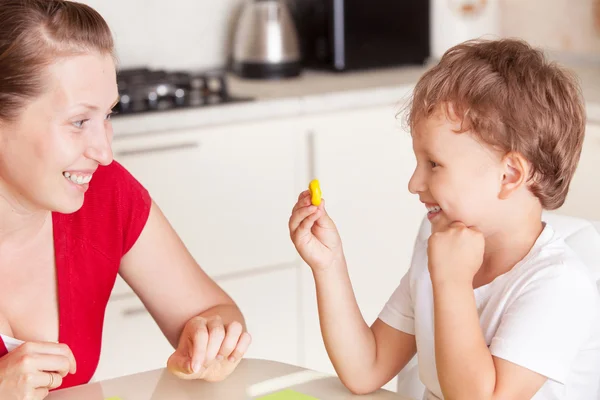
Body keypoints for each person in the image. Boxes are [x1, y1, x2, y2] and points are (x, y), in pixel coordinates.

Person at [289, 38, 600, 399]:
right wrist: (329, 265)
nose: (413, 183)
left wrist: (452, 282)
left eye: (434, 164)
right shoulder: (438, 250)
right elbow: (366, 368)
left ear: (510, 175)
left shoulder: (558, 286)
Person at [0, 1, 251, 398]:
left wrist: (212, 340)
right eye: (79, 121)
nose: (104, 152)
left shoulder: (103, 193)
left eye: (108, 116)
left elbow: (211, 313)